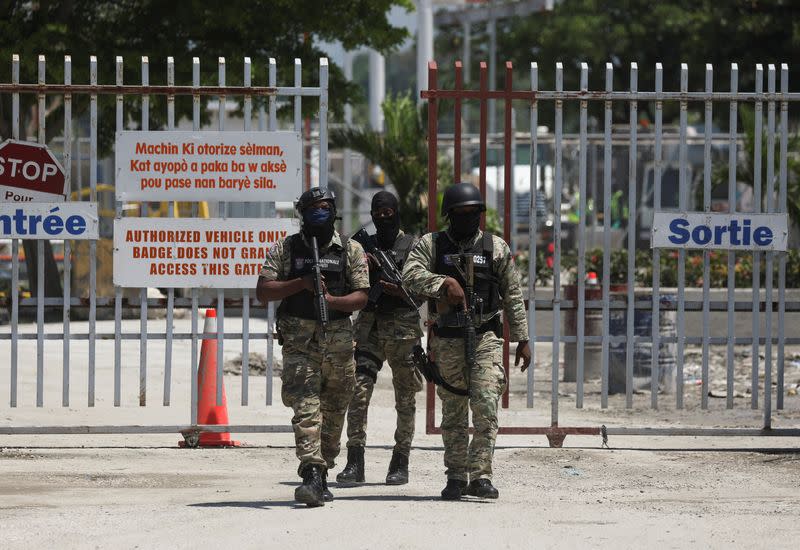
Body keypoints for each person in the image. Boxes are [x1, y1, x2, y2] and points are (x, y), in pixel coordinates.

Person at [401, 182, 531, 501]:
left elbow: (513, 295)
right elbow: (409, 275)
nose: (467, 218)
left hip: (486, 334)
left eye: (473, 213)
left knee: (486, 402)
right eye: (460, 213)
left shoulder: (495, 248)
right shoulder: (432, 245)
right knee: (454, 408)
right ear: (449, 215)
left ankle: (481, 474)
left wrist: (523, 339)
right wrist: (443, 282)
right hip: (447, 337)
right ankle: (457, 475)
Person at [256, 187, 369, 507]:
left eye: (325, 207)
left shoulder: (350, 249)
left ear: (334, 212)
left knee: (334, 414)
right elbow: (264, 291)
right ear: (302, 214)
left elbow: (361, 294)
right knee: (306, 407)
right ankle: (312, 473)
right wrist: (301, 283)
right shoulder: (287, 248)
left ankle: (324, 466)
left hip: (339, 345)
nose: (320, 213)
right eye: (313, 208)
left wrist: (331, 300)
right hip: (299, 344)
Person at [336, 191, 423, 486]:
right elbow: (345, 282)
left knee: (405, 397)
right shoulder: (360, 246)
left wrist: (400, 290)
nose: (383, 217)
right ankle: (354, 460)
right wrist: (365, 268)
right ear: (371, 214)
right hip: (369, 328)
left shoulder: (413, 246)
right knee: (357, 393)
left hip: (403, 330)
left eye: (389, 212)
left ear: (397, 212)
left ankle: (401, 460)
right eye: (378, 213)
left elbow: (424, 290)